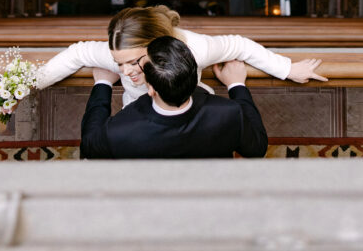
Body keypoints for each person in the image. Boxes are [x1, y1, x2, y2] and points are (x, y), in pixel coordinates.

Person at [36, 5, 327, 106]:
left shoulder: (195, 48)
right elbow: (76, 54)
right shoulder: (117, 54)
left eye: (133, 62)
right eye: (117, 63)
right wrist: (25, 84)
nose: (124, 71)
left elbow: (238, 45)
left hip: (191, 106)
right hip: (139, 116)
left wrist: (286, 68)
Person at [80, 36, 268, 159]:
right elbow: (257, 148)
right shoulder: (229, 113)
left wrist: (103, 84)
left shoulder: (120, 129)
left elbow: (89, 147)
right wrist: (237, 85)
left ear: (152, 89)